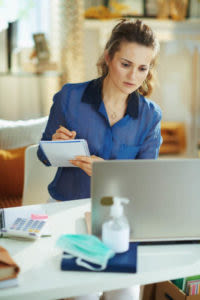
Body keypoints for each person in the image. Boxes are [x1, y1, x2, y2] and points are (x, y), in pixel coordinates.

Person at [37, 19, 162, 299]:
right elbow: (43, 155)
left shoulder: (150, 116)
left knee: (127, 295)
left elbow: (146, 182)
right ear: (108, 57)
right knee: (84, 294)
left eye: (143, 68)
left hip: (119, 219)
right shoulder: (70, 96)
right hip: (67, 211)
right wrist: (54, 144)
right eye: (125, 64)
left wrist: (108, 173)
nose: (133, 76)